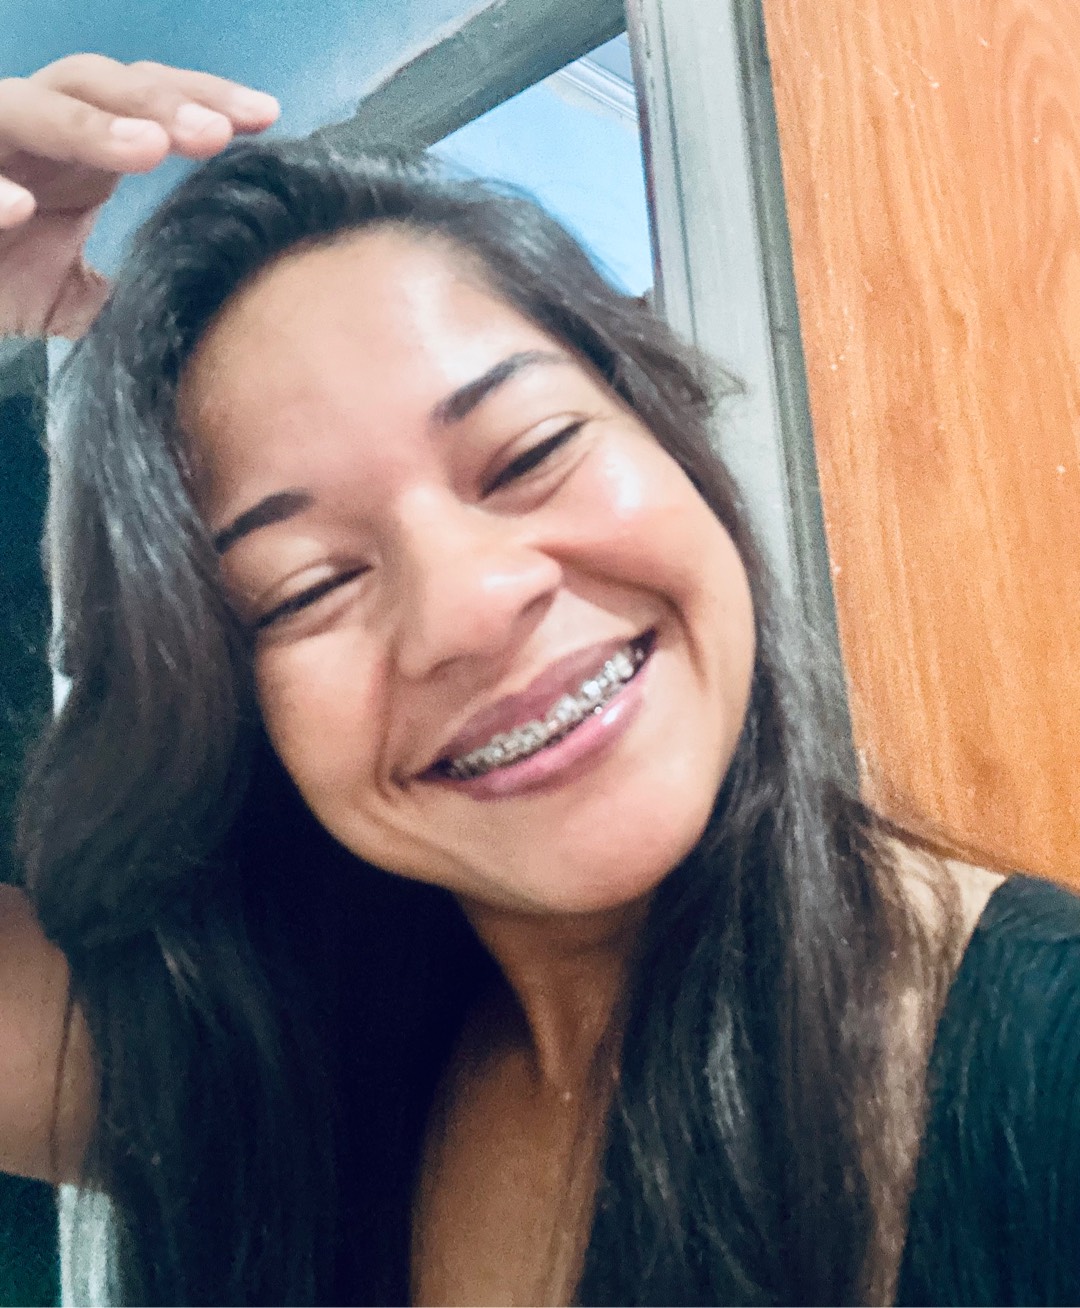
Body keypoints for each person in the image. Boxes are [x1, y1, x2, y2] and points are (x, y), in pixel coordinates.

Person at [1, 54, 1078, 1308]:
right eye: (304, 588)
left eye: (530, 454)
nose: (467, 607)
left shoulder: (1047, 1075)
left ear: (670, 435)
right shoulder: (283, 1068)